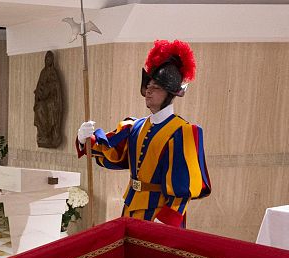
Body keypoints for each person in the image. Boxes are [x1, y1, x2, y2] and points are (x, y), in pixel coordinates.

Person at [75, 40, 211, 228]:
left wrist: (167, 220)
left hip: (159, 216)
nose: (148, 91)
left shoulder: (183, 131)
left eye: (156, 87)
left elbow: (184, 187)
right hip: (130, 208)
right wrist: (85, 140)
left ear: (170, 94)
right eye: (148, 86)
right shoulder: (134, 126)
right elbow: (112, 154)